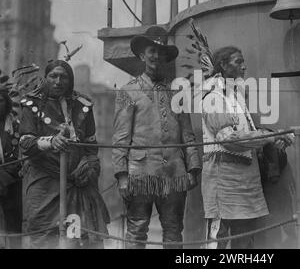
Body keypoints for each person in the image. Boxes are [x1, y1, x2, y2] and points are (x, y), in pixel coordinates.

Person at [112, 26, 201, 249]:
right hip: (140, 174)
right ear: (142, 55)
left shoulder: (176, 92)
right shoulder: (127, 91)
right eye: (152, 51)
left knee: (173, 229)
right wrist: (122, 176)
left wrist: (193, 169)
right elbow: (121, 138)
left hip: (174, 172)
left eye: (161, 52)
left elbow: (187, 134)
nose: (156, 56)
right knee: (137, 230)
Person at [201, 46, 294, 249]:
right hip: (222, 180)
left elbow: (246, 133)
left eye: (243, 62)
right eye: (238, 62)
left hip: (247, 182)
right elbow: (229, 139)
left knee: (245, 241)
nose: (244, 66)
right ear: (223, 66)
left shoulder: (237, 97)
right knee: (218, 240)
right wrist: (269, 136)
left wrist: (271, 140)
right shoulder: (213, 97)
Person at [19, 60, 110, 249]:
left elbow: (91, 147)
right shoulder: (31, 103)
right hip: (43, 181)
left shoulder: (82, 105)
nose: (58, 81)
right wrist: (51, 142)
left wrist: (89, 167)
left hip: (77, 182)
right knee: (41, 236)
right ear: (45, 78)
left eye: (63, 77)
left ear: (70, 81)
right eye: (53, 76)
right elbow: (25, 142)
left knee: (77, 240)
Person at [0, 82, 21, 248]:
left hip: (11, 182)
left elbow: (20, 156)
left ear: (6, 102)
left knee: (13, 222)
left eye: (0, 100)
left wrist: (3, 178)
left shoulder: (15, 126)